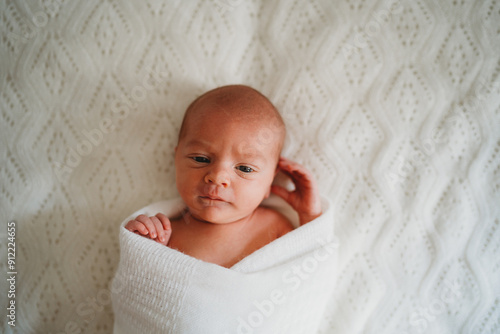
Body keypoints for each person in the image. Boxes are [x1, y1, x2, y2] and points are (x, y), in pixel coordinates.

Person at [125, 84, 322, 268]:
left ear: (270, 180)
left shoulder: (273, 226)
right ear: (176, 159)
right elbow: (142, 284)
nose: (218, 177)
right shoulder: (167, 231)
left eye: (245, 169)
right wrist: (144, 246)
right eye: (201, 159)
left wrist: (309, 217)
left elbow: (310, 266)